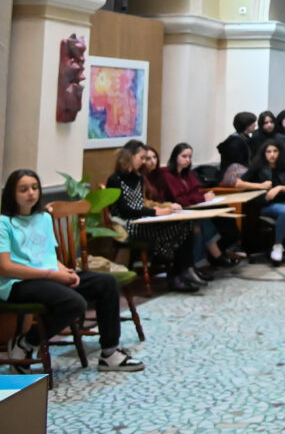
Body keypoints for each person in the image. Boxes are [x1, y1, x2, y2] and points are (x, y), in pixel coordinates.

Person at [1, 169, 145, 372]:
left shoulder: (43, 218)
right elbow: (5, 267)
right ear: (12, 194)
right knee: (75, 303)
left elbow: (49, 257)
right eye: (23, 189)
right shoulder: (4, 223)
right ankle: (26, 343)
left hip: (49, 275)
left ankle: (109, 353)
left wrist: (65, 272)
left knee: (106, 283)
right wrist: (52, 274)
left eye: (34, 188)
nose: (31, 193)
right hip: (18, 282)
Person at [107, 143, 201, 293]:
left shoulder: (138, 178)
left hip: (143, 220)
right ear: (130, 157)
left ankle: (181, 272)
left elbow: (140, 204)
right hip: (127, 225)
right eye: (142, 157)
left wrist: (158, 210)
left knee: (186, 225)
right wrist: (154, 213)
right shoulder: (115, 179)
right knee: (176, 231)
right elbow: (124, 210)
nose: (144, 161)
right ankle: (175, 275)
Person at [158, 143, 238, 269]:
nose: (187, 160)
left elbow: (196, 191)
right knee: (199, 223)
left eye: (189, 157)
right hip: (175, 212)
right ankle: (207, 261)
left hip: (191, 209)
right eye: (184, 156)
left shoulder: (188, 174)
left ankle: (212, 258)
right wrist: (202, 198)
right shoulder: (167, 175)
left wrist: (202, 197)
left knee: (219, 217)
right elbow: (180, 199)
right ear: (175, 157)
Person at [239, 140, 285, 264]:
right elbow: (239, 183)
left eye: (275, 151)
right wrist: (260, 186)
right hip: (266, 204)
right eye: (269, 151)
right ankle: (277, 246)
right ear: (264, 153)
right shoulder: (258, 166)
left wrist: (280, 188)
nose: (272, 154)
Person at [217, 111, 257, 176]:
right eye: (253, 123)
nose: (255, 125)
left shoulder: (245, 138)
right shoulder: (235, 142)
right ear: (246, 125)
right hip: (234, 176)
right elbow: (237, 165)